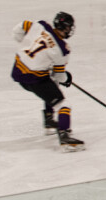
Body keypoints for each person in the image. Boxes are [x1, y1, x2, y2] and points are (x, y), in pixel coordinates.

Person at [11, 12, 84, 151]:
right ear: (66, 28)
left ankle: (49, 121)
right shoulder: (62, 49)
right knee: (63, 105)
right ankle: (65, 138)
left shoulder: (41, 25)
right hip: (35, 80)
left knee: (51, 83)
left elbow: (17, 29)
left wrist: (25, 44)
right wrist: (67, 78)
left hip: (17, 71)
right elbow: (59, 76)